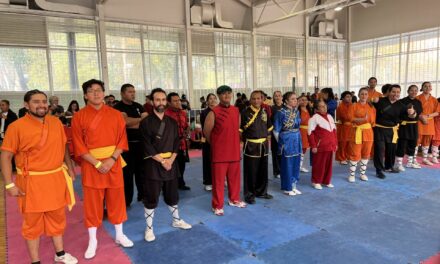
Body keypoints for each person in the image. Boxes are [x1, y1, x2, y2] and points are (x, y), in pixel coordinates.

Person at [1, 90, 77, 264]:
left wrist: (70, 166)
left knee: (58, 218)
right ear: (26, 105)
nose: (41, 105)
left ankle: (60, 254)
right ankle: (35, 261)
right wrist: (8, 184)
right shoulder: (16, 127)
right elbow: (5, 156)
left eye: (44, 101)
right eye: (36, 101)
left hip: (56, 178)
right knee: (32, 224)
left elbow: (63, 144)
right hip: (31, 182)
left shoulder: (56, 122)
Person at [71, 79, 133, 259]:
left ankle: (120, 235)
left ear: (104, 93)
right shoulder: (78, 117)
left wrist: (111, 159)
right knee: (92, 203)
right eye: (91, 91)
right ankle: (93, 240)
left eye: (99, 90)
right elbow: (78, 145)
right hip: (91, 165)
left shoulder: (115, 115)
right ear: (85, 95)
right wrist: (97, 163)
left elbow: (122, 140)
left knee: (117, 200)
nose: (96, 93)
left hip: (113, 163)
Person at [140, 88, 192, 242]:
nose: (161, 103)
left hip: (171, 162)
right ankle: (149, 228)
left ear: (166, 102)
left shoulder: (172, 122)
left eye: (163, 100)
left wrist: (171, 160)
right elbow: (147, 146)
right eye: (157, 100)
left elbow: (177, 142)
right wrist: (163, 161)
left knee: (172, 195)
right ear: (152, 101)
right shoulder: (145, 123)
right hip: (153, 163)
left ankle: (176, 220)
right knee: (151, 197)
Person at [203, 85, 246, 216]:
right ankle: (217, 205)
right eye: (223, 94)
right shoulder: (213, 112)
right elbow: (207, 132)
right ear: (219, 96)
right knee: (218, 182)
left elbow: (236, 129)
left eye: (228, 93)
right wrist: (217, 145)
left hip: (234, 151)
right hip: (219, 153)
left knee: (234, 179)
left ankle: (234, 199)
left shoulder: (236, 110)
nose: (226, 96)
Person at [113, 84, 149, 206]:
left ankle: (142, 195)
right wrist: (140, 119)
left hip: (141, 144)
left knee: (142, 172)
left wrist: (133, 121)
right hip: (125, 147)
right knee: (127, 174)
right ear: (122, 93)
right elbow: (125, 123)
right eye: (130, 92)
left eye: (134, 91)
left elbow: (146, 123)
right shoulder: (117, 108)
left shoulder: (138, 106)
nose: (133, 94)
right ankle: (126, 200)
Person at [372, 84, 417, 179]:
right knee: (380, 150)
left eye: (398, 92)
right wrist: (372, 100)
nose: (395, 94)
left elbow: (411, 115)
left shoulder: (401, 105)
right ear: (388, 92)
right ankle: (379, 170)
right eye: (393, 92)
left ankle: (389, 166)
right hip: (379, 129)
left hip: (392, 130)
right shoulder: (380, 100)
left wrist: (412, 112)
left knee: (391, 149)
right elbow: (368, 103)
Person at [240, 90, 273, 204]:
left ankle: (261, 192)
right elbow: (240, 131)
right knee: (251, 171)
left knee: (263, 170)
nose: (256, 100)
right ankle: (249, 195)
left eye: (258, 98)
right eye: (253, 98)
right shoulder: (245, 112)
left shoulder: (264, 111)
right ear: (250, 100)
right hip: (251, 146)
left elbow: (269, 127)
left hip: (264, 145)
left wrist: (267, 137)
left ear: (262, 99)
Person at [273, 92, 302, 196]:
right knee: (287, 165)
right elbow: (276, 131)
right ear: (286, 101)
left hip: (296, 138)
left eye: (296, 98)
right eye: (292, 99)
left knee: (296, 163)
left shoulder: (297, 111)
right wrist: (282, 142)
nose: (295, 100)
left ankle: (294, 185)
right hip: (287, 139)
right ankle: (287, 187)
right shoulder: (280, 112)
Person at [347, 88, 376, 182]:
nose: (364, 96)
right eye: (362, 94)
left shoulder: (371, 107)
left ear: (368, 96)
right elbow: (350, 118)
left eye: (366, 94)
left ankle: (362, 174)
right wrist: (362, 120)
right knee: (354, 153)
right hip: (357, 132)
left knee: (366, 154)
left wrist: (364, 121)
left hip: (368, 133)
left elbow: (372, 122)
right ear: (359, 95)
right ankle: (352, 175)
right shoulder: (353, 106)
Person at [308, 100, 338, 190]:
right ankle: (316, 181)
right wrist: (313, 145)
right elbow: (310, 133)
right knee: (319, 164)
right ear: (317, 109)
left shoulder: (330, 117)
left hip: (330, 145)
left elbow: (334, 132)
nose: (324, 107)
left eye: (324, 105)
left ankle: (326, 181)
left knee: (328, 165)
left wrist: (335, 143)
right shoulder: (314, 118)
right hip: (319, 147)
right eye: (321, 106)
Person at [165, 92, 191, 190]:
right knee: (169, 166)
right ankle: (168, 187)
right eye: (175, 101)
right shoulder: (165, 114)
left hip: (182, 144)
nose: (178, 102)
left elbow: (186, 126)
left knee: (181, 164)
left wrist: (187, 132)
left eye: (178, 100)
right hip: (170, 145)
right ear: (169, 102)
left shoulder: (183, 113)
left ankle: (181, 183)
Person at [394, 85, 423, 170]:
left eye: (415, 90)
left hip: (414, 125)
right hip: (404, 125)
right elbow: (399, 113)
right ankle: (398, 164)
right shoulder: (401, 101)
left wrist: (414, 114)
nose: (413, 92)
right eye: (411, 90)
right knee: (402, 144)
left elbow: (419, 112)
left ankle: (410, 163)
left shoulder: (418, 102)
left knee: (413, 144)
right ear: (408, 91)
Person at [416, 81, 439, 165]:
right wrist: (421, 116)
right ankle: (413, 159)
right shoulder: (417, 98)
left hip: (429, 123)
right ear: (422, 88)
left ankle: (425, 159)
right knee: (417, 140)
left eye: (429, 86)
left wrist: (428, 116)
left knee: (427, 142)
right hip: (419, 121)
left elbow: (437, 112)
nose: (427, 87)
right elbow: (414, 110)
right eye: (425, 86)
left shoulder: (434, 100)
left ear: (431, 88)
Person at [200, 93, 217, 191]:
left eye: (214, 98)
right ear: (207, 101)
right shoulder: (204, 113)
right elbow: (205, 128)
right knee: (207, 161)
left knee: (219, 161)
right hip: (207, 140)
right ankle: (208, 182)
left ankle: (220, 179)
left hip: (219, 141)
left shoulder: (219, 110)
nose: (212, 100)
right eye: (210, 98)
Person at [335, 91, 353, 165]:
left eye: (350, 97)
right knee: (343, 143)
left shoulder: (353, 105)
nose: (349, 98)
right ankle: (342, 158)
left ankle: (348, 157)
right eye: (347, 97)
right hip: (343, 127)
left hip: (351, 127)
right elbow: (343, 117)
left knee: (350, 143)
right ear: (343, 98)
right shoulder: (340, 107)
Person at [298, 95, 312, 173]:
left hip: (308, 131)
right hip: (300, 131)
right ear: (299, 101)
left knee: (304, 149)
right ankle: (298, 166)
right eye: (302, 100)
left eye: (305, 100)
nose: (304, 101)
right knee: (300, 149)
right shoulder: (297, 110)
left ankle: (300, 166)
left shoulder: (309, 109)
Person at [271, 91, 283, 178]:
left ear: (282, 97)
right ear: (273, 98)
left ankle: (284, 169)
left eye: (279, 96)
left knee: (284, 152)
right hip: (275, 133)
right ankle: (277, 171)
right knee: (276, 152)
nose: (278, 97)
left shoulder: (285, 107)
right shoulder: (271, 108)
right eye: (276, 96)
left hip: (284, 133)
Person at [432, 98, 440, 163]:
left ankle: (435, 155)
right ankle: (434, 157)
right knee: (436, 141)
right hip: (436, 125)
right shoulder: (437, 102)